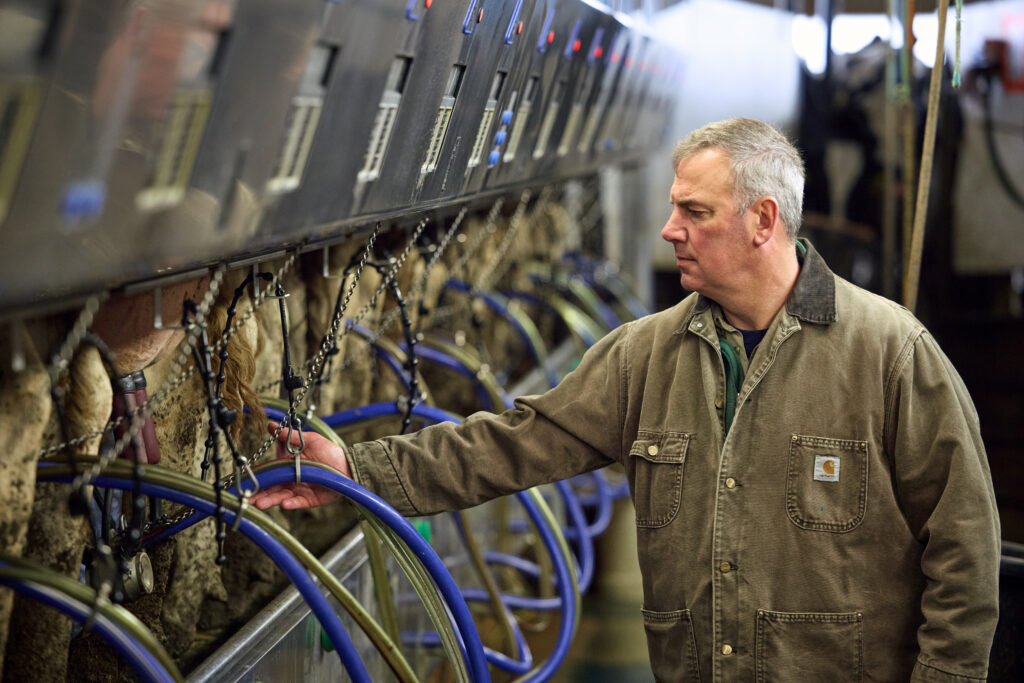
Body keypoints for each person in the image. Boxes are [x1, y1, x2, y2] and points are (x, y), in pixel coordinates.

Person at [253, 118, 1000, 682]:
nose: (670, 229)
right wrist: (356, 467)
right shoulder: (646, 354)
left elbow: (965, 549)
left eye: (696, 212)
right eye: (675, 208)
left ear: (763, 221)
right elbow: (512, 442)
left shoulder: (889, 354)